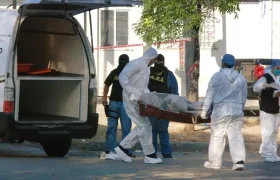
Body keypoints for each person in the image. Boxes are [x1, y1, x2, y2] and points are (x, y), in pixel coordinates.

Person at [114, 47, 162, 164]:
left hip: (138, 100)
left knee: (144, 125)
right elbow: (122, 77)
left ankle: (124, 148)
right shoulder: (137, 63)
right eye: (154, 60)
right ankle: (149, 154)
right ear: (152, 58)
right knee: (144, 125)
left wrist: (150, 96)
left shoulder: (146, 68)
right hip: (131, 99)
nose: (154, 62)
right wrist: (131, 92)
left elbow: (142, 87)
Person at [200, 54, 247, 171]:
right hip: (236, 110)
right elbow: (244, 96)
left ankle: (215, 163)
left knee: (217, 136)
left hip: (220, 110)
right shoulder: (241, 78)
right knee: (236, 136)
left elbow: (210, 94)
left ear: (223, 63)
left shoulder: (217, 76)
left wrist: (205, 110)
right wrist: (240, 108)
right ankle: (239, 161)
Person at [100, 54, 135, 160]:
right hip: (114, 103)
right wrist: (104, 98)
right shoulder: (114, 72)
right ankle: (109, 149)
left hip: (126, 104)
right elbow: (106, 84)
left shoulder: (131, 74)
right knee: (111, 127)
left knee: (126, 128)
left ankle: (125, 150)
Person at [148, 54, 179, 158]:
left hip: (164, 107)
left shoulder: (169, 75)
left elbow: (174, 92)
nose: (158, 64)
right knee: (151, 130)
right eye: (157, 61)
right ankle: (152, 152)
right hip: (150, 106)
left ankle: (166, 152)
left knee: (163, 129)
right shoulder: (148, 72)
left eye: (160, 62)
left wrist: (172, 106)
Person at [253, 59, 280, 162]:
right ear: (273, 67)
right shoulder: (266, 77)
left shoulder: (277, 78)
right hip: (267, 109)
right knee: (267, 132)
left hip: (276, 109)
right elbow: (256, 88)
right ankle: (267, 153)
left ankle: (273, 153)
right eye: (277, 68)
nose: (279, 70)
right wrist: (266, 87)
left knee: (274, 132)